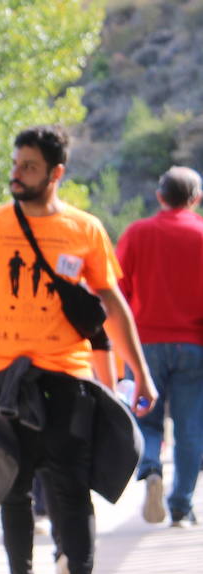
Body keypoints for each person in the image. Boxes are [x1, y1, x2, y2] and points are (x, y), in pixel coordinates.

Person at [0, 125, 157, 574]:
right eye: (16, 165)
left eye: (30, 167)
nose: (17, 175)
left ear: (56, 173)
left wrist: (140, 372)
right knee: (12, 488)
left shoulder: (84, 230)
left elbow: (113, 304)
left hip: (65, 377)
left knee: (70, 486)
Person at [116, 166, 203, 528]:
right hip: (193, 346)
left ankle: (150, 466)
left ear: (159, 196)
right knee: (189, 427)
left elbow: (116, 290)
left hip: (143, 345)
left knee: (145, 419)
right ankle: (181, 505)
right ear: (196, 198)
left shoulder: (137, 233)